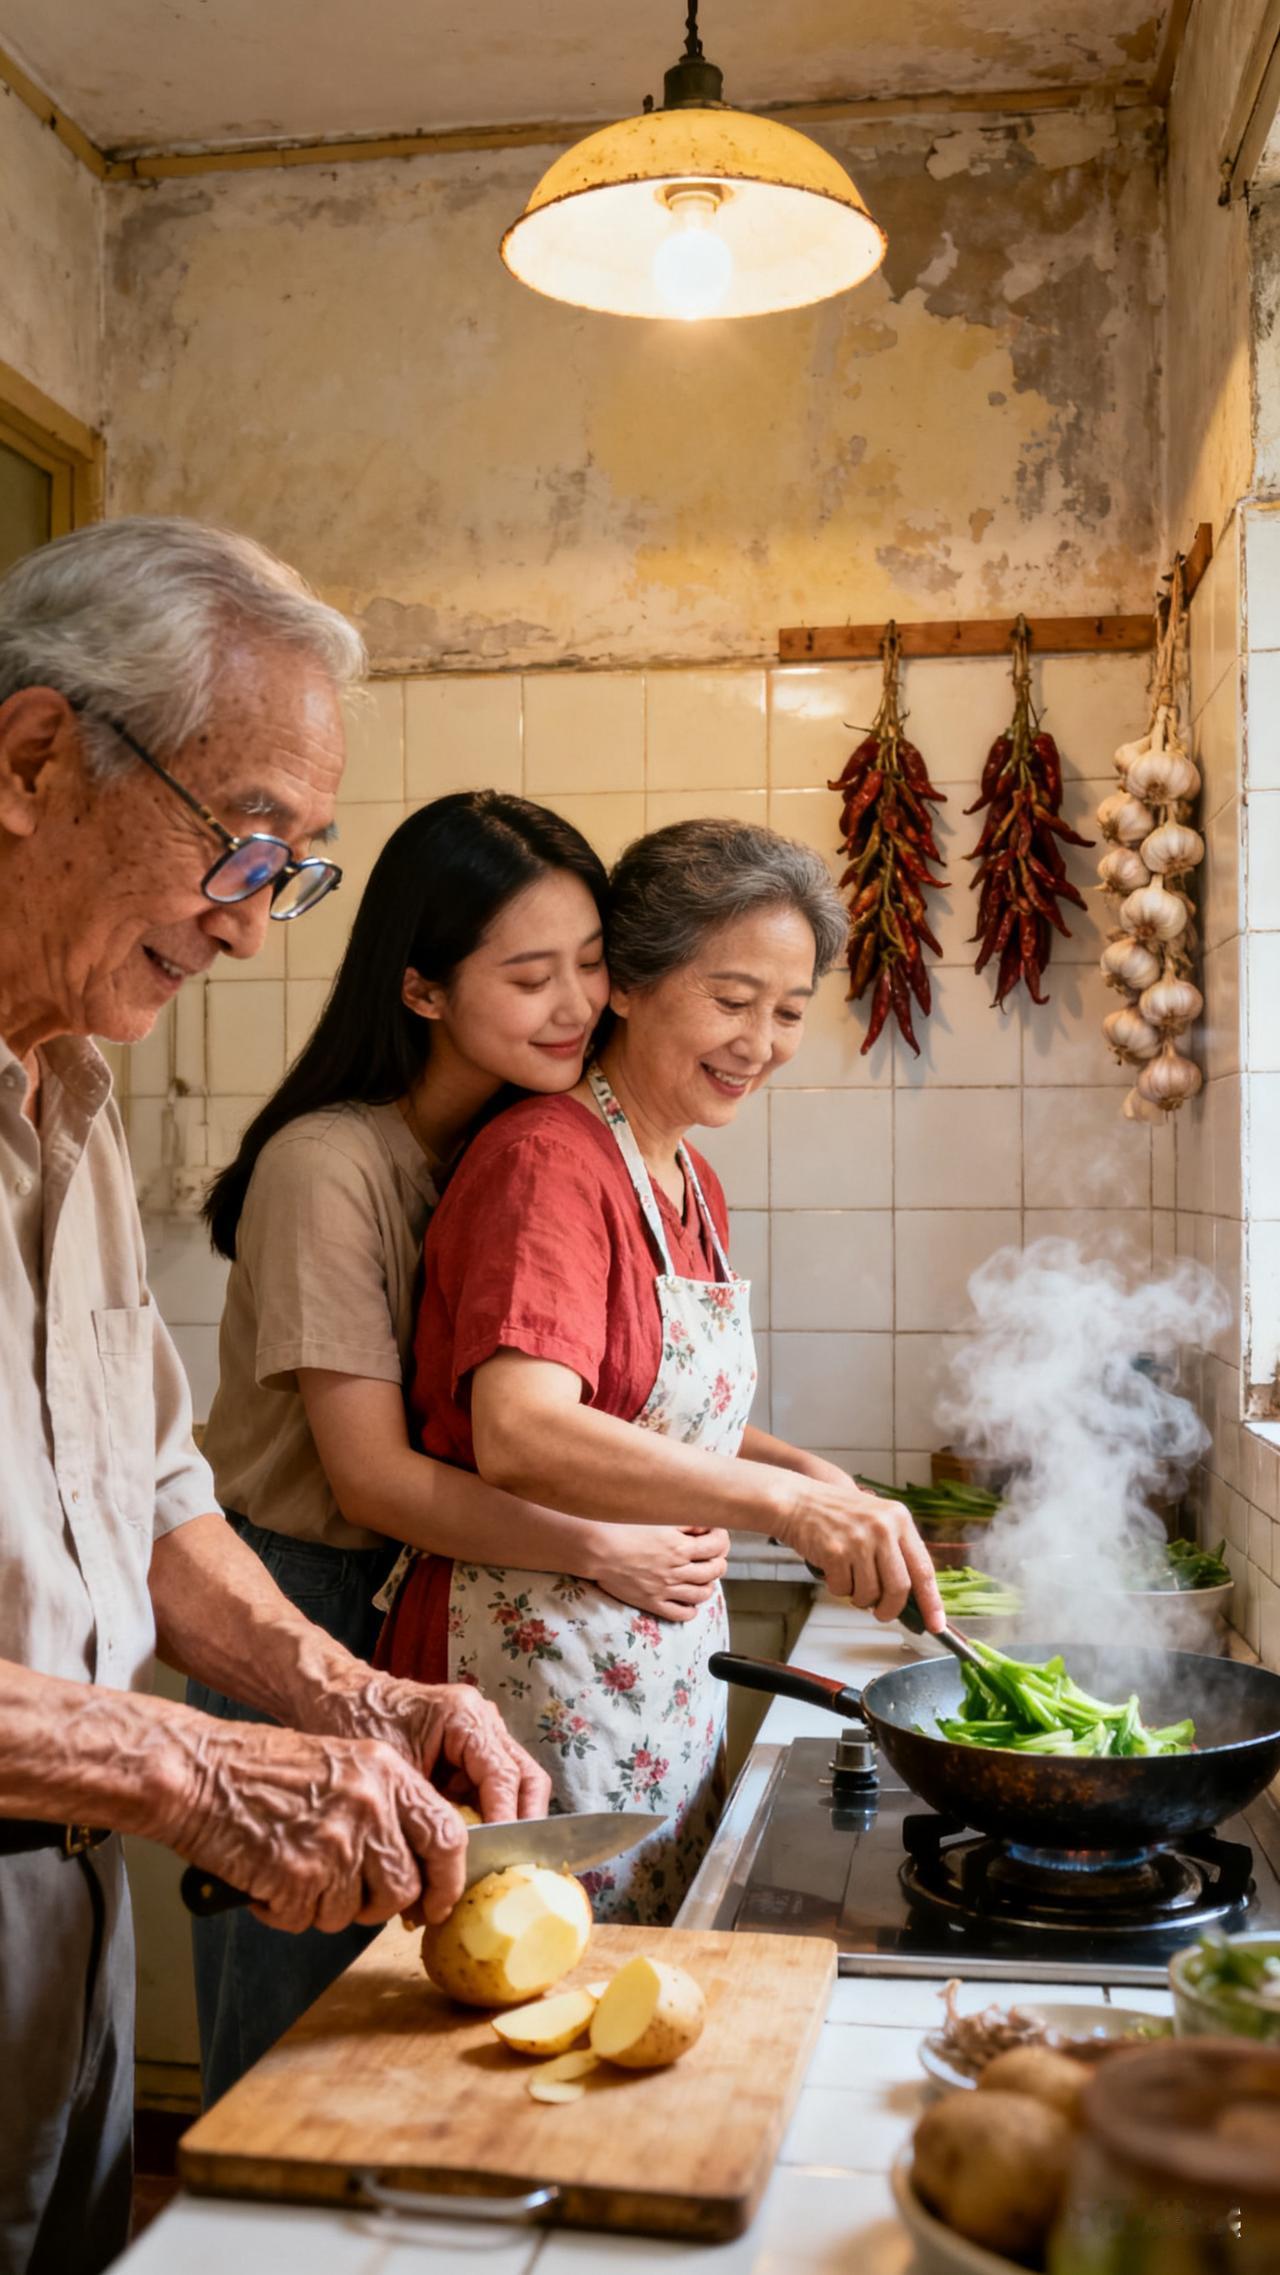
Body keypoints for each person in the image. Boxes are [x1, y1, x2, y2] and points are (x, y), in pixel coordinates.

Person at [0, 517, 548, 2275]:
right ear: (33, 761)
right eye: (242, 844)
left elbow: (154, 1498)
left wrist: (351, 1698)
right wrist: (183, 1759)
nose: (249, 925)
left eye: (292, 871)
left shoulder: (67, 1096)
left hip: (61, 1903)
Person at [193, 792, 729, 2098]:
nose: (576, 1004)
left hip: (419, 1601)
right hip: (294, 1607)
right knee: (294, 2044)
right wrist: (596, 1543)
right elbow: (374, 1476)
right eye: (530, 976)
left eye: (592, 964)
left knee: (414, 2026)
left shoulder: (510, 1144)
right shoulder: (328, 1164)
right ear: (422, 988)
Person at [379, 819, 944, 1924]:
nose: (760, 1041)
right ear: (627, 985)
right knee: (530, 1971)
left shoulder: (686, 1174)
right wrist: (785, 1506)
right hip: (530, 1668)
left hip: (655, 1666)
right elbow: (523, 1430)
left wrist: (814, 1478)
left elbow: (651, 1410)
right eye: (732, 1000)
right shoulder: (546, 1159)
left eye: (788, 1011)